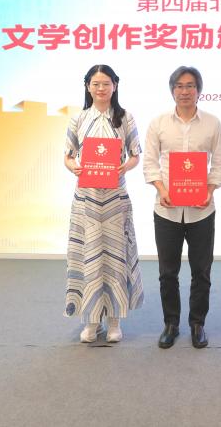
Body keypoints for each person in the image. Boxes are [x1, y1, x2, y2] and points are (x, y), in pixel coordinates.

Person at [143, 66, 221, 349]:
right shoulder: (158, 123)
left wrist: (209, 191)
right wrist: (162, 190)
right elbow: (150, 162)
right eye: (179, 86)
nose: (185, 91)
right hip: (166, 210)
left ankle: (197, 323)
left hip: (202, 210)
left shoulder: (212, 123)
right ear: (172, 90)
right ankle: (171, 323)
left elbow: (218, 164)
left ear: (199, 90)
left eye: (190, 86)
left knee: (201, 271)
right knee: (168, 272)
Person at [63, 64, 144, 343]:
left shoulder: (125, 118)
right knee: (88, 257)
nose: (101, 88)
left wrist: (125, 167)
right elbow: (68, 156)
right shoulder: (78, 119)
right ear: (88, 86)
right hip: (86, 199)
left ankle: (114, 322)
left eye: (106, 83)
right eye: (95, 84)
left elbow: (135, 154)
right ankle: (90, 321)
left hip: (114, 200)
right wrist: (73, 166)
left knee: (115, 259)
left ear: (115, 86)